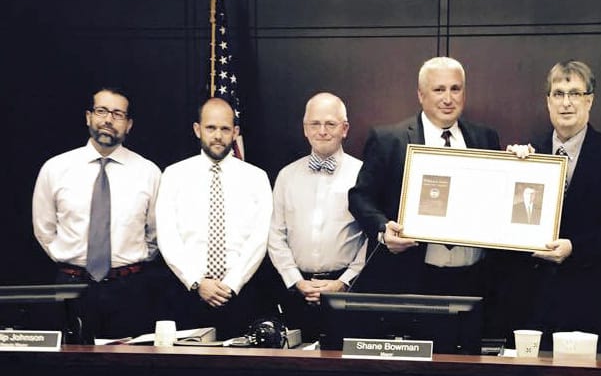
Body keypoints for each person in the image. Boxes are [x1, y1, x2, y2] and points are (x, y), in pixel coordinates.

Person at [500, 60, 601, 353]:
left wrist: (574, 247)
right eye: (559, 93)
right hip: (532, 307)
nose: (566, 102)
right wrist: (508, 171)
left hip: (591, 304)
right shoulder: (528, 155)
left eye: (575, 93)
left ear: (589, 101)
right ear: (548, 101)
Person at [348, 56, 500, 295]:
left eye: (455, 89)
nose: (448, 98)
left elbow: (497, 197)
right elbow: (360, 197)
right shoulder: (389, 140)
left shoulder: (486, 138)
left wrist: (522, 160)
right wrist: (383, 230)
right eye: (439, 89)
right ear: (421, 95)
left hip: (475, 276)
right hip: (411, 276)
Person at [32, 86, 162, 342]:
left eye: (118, 114)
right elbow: (44, 228)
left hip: (129, 289)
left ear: (129, 124)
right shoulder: (56, 169)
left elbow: (156, 234)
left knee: (129, 369)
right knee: (69, 369)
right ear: (88, 117)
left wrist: (127, 265)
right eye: (101, 111)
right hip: (70, 286)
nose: (108, 120)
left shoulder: (149, 173)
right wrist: (72, 262)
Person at [156, 97, 272, 340]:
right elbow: (168, 236)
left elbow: (259, 239)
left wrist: (230, 284)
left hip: (240, 295)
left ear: (235, 132)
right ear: (198, 129)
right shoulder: (174, 175)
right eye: (211, 128)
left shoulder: (256, 178)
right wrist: (198, 282)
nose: (218, 135)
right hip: (188, 294)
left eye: (225, 128)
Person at [268, 92, 366, 341]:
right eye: (315, 124)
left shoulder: (362, 174)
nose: (322, 131)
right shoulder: (286, 176)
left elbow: (371, 238)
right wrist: (296, 281)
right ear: (305, 129)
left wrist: (343, 282)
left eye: (330, 124)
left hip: (348, 291)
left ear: (344, 129)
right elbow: (275, 235)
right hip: (296, 291)